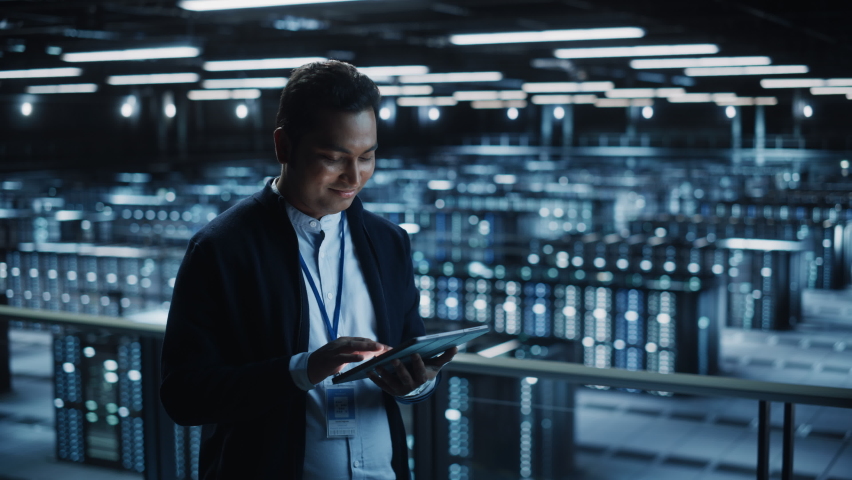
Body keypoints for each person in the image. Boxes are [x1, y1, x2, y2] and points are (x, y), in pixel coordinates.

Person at [160, 60, 457, 479]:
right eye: (333, 158)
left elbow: (410, 349)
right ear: (284, 147)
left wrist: (418, 382)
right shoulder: (221, 249)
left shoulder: (390, 243)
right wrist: (304, 370)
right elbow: (184, 396)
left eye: (367, 156)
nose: (354, 177)